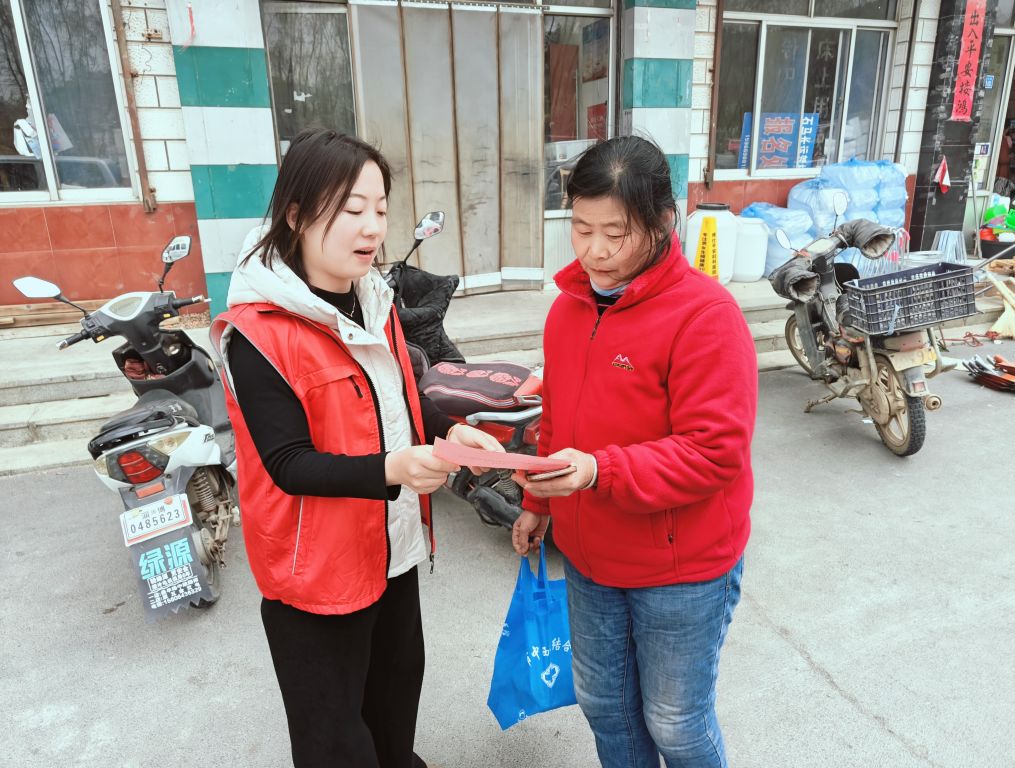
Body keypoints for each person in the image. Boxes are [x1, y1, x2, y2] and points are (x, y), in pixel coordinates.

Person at [210, 128, 502, 768]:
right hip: (315, 573)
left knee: (395, 713)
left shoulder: (375, 301)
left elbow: (398, 397)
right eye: (351, 210)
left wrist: (447, 431)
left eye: (380, 210)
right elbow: (288, 464)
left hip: (392, 552)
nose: (371, 228)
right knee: (335, 743)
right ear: (296, 215)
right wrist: (395, 468)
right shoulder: (257, 333)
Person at [511, 135, 757, 768]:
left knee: (676, 723)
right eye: (581, 228)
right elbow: (558, 418)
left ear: (662, 222)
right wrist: (538, 501)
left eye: (615, 233)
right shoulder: (569, 309)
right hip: (590, 557)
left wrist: (600, 470)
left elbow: (714, 452)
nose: (594, 250)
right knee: (606, 706)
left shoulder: (705, 315)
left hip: (680, 568)